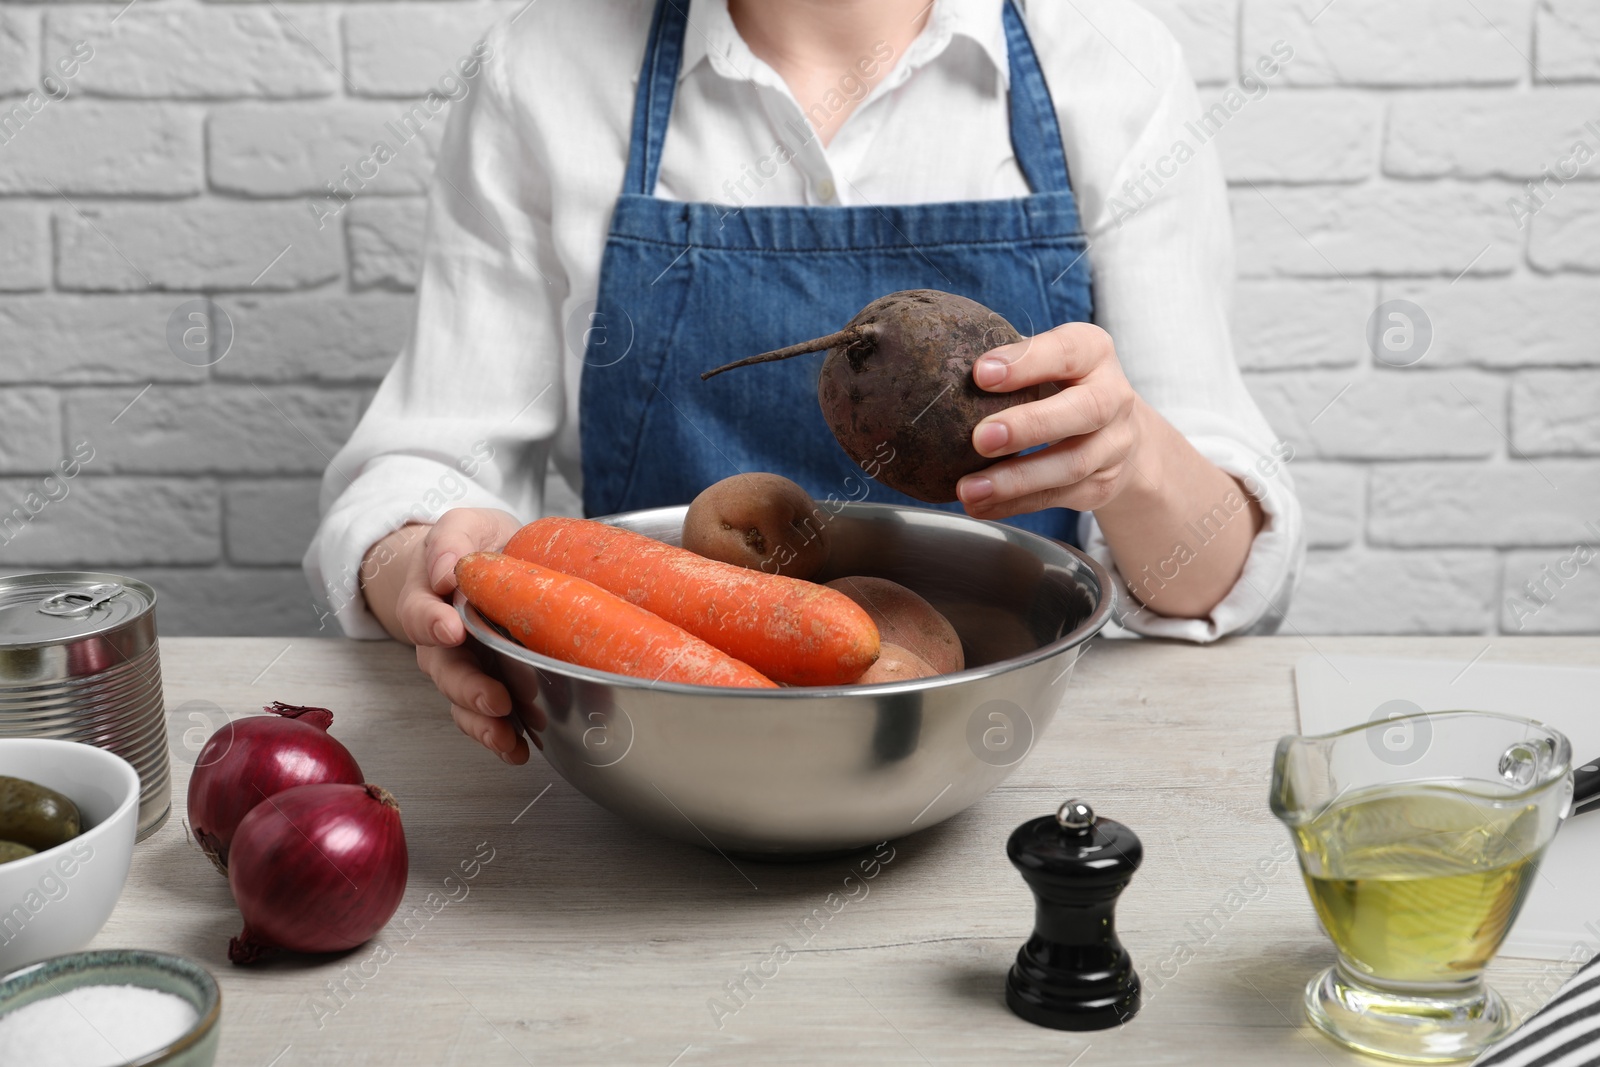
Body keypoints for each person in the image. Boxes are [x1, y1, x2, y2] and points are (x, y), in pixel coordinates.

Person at [305, 0, 1305, 766]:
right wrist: (425, 575)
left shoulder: (1111, 64)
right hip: (654, 755)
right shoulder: (545, 69)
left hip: (1018, 764)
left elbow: (1212, 577)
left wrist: (1129, 463)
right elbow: (422, 473)